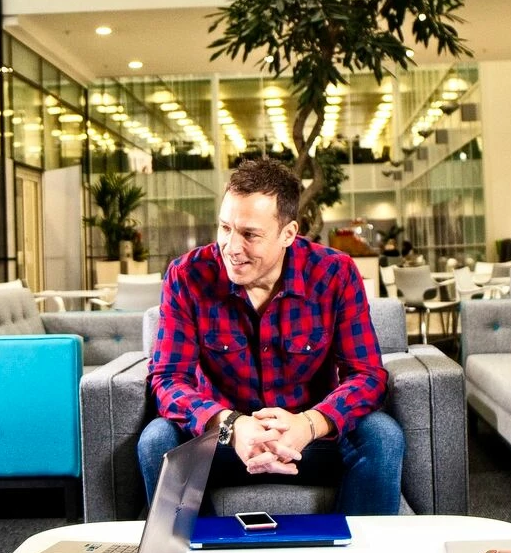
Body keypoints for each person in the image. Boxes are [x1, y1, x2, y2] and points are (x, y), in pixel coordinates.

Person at [139, 157, 404, 515]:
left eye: (249, 234)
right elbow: (168, 379)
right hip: (223, 442)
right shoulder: (187, 276)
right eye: (225, 228)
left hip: (309, 440)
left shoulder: (335, 274)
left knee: (383, 436)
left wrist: (308, 424)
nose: (231, 247)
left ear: (288, 234)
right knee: (156, 439)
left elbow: (368, 376)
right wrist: (233, 426)